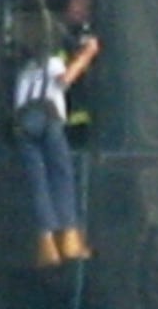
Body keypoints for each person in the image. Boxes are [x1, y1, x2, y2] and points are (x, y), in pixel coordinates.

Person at [13, 15, 101, 268]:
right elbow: (65, 80)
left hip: (23, 124)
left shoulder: (25, 71)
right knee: (61, 176)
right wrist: (86, 56)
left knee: (39, 182)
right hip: (48, 118)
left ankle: (47, 242)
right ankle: (69, 238)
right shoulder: (51, 62)